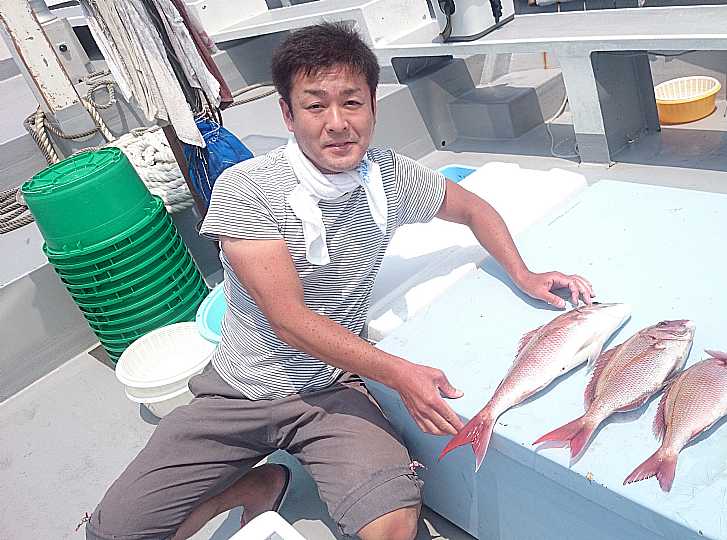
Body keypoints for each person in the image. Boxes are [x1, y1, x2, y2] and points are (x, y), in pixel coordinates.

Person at [87, 22, 593, 540]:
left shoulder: (390, 176)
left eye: (352, 103)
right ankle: (251, 485)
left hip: (334, 386)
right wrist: (400, 374)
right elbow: (289, 321)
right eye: (315, 106)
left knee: (392, 527)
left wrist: (523, 272)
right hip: (240, 389)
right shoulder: (248, 188)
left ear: (372, 107)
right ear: (287, 114)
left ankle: (270, 480)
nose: (337, 124)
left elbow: (472, 207)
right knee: (112, 534)